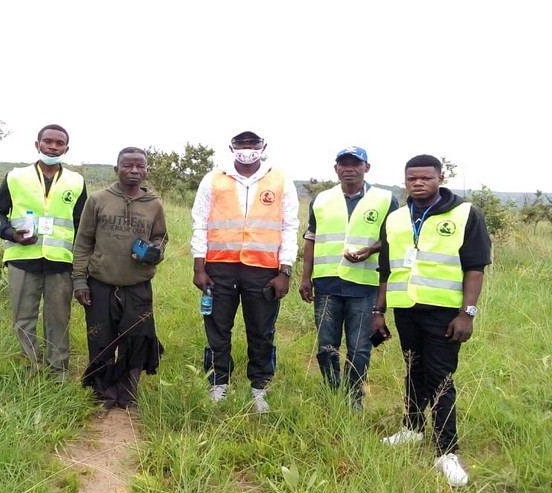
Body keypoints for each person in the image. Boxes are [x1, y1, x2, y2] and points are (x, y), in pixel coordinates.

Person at [374, 154, 491, 487]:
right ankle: (411, 428)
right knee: (413, 368)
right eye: (411, 178)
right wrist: (377, 310)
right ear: (405, 180)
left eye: (425, 177)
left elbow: (475, 267)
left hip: (445, 312)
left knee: (440, 377)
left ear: (439, 177)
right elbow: (386, 270)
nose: (418, 183)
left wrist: (467, 313)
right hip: (405, 308)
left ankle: (446, 450)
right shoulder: (396, 218)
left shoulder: (465, 214)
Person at [191, 130, 299, 413]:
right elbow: (200, 222)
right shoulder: (213, 178)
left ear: (263, 148)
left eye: (253, 145)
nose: (247, 149)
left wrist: (285, 271)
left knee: (261, 330)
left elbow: (289, 227)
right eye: (241, 145)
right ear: (231, 147)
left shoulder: (280, 179)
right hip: (219, 268)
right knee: (217, 327)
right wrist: (198, 266)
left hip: (263, 270)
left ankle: (259, 388)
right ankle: (218, 383)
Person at [298, 146, 399, 411]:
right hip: (327, 285)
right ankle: (332, 392)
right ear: (336, 169)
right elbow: (311, 238)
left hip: (365, 287)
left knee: (359, 348)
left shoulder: (385, 199)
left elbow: (392, 240)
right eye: (343, 163)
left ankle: (354, 398)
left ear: (367, 167)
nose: (349, 168)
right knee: (326, 345)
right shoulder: (321, 200)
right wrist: (305, 277)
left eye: (356, 163)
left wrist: (371, 250)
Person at [72, 147, 167, 412]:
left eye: (140, 166)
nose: (134, 171)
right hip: (100, 283)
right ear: (116, 169)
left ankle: (128, 393)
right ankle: (103, 393)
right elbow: (83, 242)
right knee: (101, 340)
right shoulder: (99, 199)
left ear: (146, 170)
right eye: (127, 166)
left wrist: (155, 252)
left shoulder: (154, 204)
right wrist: (79, 280)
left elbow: (161, 236)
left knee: (136, 339)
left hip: (137, 285)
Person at [0, 124, 86, 382]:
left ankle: (59, 371)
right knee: (23, 317)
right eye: (48, 141)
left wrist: (81, 264)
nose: (53, 147)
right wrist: (11, 234)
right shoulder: (16, 177)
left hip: (60, 261)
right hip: (23, 259)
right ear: (37, 144)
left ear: (66, 148)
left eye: (59, 143)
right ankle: (29, 369)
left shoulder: (76, 181)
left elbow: (82, 224)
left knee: (58, 318)